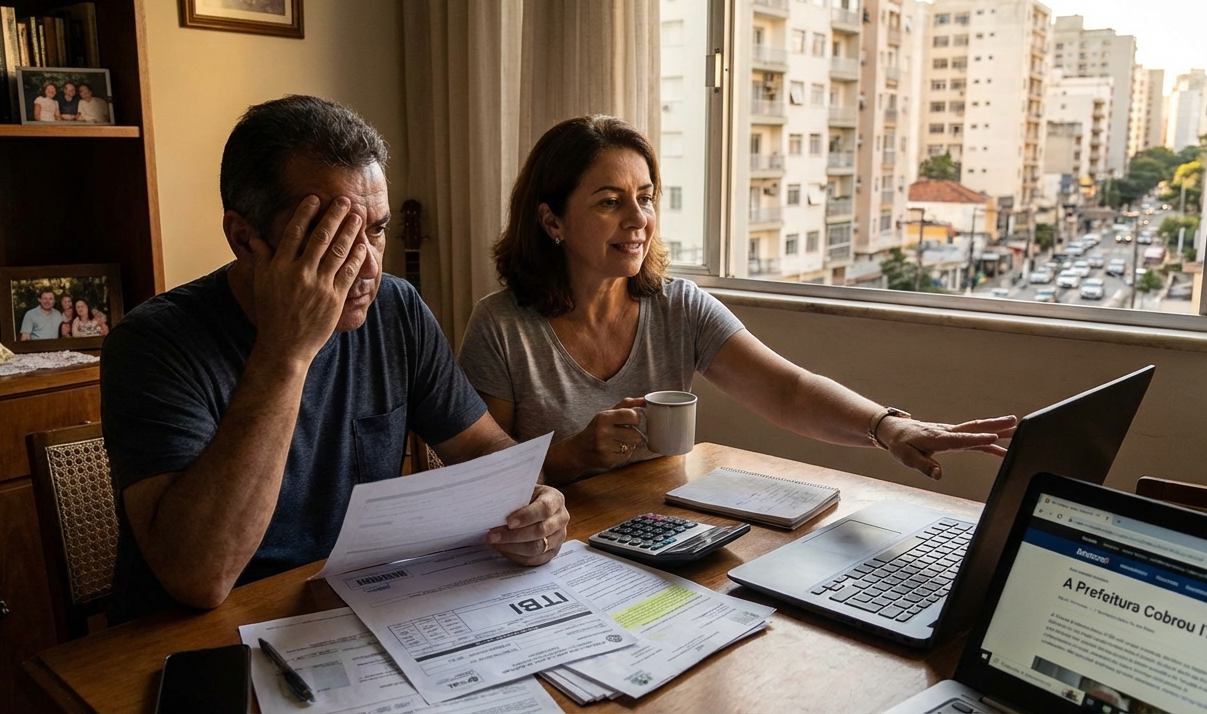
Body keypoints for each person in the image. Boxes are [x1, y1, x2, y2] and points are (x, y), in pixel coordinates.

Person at [101, 95, 569, 624]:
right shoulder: (151, 344)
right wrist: (286, 351)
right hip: (196, 633)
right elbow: (199, 577)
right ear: (244, 239)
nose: (367, 266)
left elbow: (483, 446)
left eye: (376, 230)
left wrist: (532, 500)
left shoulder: (395, 309)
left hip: (347, 605)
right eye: (334, 236)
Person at [459, 115, 1017, 486]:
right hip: (550, 547)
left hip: (658, 529)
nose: (638, 220)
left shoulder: (678, 307)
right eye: (610, 201)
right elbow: (476, 472)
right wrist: (572, 456)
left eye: (646, 198)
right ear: (552, 221)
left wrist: (888, 427)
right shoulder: (501, 327)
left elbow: (788, 390)